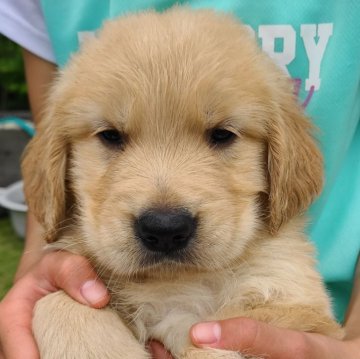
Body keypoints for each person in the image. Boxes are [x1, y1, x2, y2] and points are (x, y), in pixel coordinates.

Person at [0, 0, 359, 358]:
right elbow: (45, 242)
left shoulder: (277, 274)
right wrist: (52, 311)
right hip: (95, 274)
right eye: (111, 136)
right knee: (61, 316)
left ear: (280, 155)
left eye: (221, 135)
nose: (164, 214)